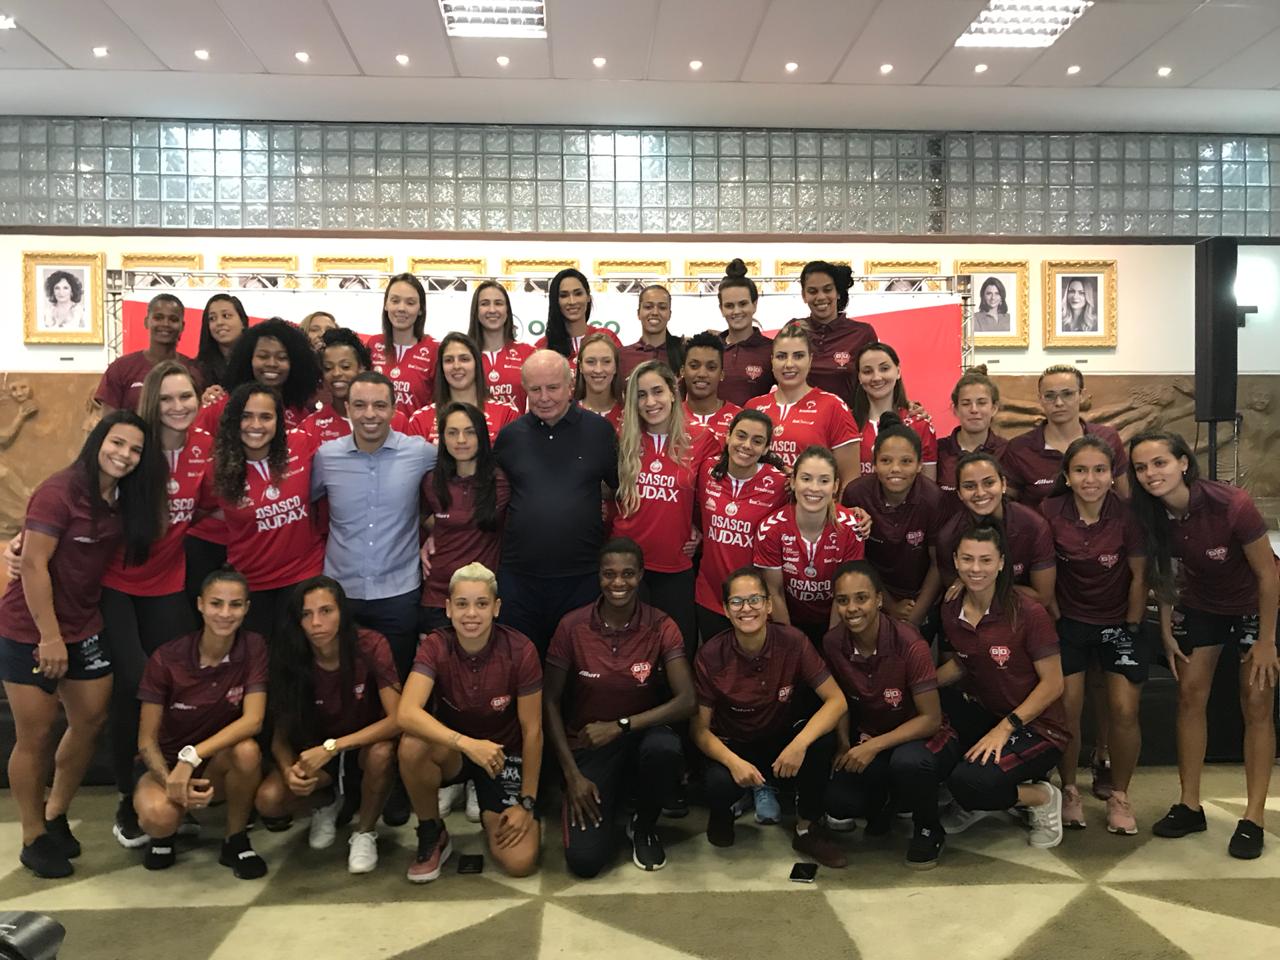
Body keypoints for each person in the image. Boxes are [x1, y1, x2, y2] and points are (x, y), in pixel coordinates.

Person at [0, 410, 165, 878]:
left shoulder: (122, 498)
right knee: (34, 735)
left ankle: (55, 816)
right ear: (98, 441)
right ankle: (32, 836)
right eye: (117, 443)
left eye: (135, 450)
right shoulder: (59, 491)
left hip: (85, 625)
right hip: (30, 630)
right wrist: (50, 637)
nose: (125, 455)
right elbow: (33, 566)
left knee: (90, 721)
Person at [1128, 430, 1278, 859]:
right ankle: (1190, 805)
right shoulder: (1149, 514)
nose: (1151, 474)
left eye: (1159, 463)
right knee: (1190, 697)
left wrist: (1267, 641)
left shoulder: (1232, 505)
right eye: (1141, 467)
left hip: (1253, 606)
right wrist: (1166, 629)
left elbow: (1268, 575)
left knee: (1257, 703)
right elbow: (1165, 572)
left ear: (1183, 464)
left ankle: (1253, 817)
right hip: (1201, 607)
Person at [544, 539, 696, 875]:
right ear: (598, 577)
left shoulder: (661, 625)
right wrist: (571, 776)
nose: (618, 583)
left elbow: (687, 701)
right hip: (590, 745)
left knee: (664, 749)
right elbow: (550, 700)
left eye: (628, 574)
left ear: (641, 575)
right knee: (584, 862)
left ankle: (644, 824)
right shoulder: (572, 626)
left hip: (640, 737)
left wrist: (621, 725)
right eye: (609, 574)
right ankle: (611, 804)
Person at [100, 362, 205, 846]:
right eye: (167, 399)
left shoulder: (204, 448)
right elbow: (79, 492)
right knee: (133, 684)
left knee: (176, 685)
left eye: (186, 396)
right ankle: (128, 795)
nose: (179, 407)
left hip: (171, 585)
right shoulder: (132, 448)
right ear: (151, 403)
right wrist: (22, 545)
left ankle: (169, 787)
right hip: (118, 585)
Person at [693, 566, 848, 866]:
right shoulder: (711, 655)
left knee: (820, 740)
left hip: (781, 740)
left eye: (755, 600)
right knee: (717, 783)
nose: (746, 608)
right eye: (737, 602)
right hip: (735, 743)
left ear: (769, 605)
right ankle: (722, 812)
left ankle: (806, 829)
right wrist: (732, 762)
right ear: (725, 610)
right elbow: (699, 730)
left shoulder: (793, 641)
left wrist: (799, 743)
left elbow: (836, 700)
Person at [397, 563, 543, 882]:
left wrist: (526, 802)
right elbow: (406, 712)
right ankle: (432, 831)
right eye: (462, 604)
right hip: (455, 751)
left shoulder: (521, 650)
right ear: (448, 609)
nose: (471, 614)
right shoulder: (436, 644)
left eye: (481, 603)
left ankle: (488, 799)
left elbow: (533, 731)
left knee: (520, 862)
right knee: (412, 745)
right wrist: (466, 744)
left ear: (496, 608)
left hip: (502, 757)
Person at [255, 576, 402, 874]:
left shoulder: (371, 644)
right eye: (306, 614)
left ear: (342, 613)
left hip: (361, 746)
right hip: (315, 756)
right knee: (269, 801)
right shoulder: (289, 655)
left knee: (381, 753)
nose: (316, 623)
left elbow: (398, 719)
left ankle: (364, 831)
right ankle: (326, 802)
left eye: (326, 611)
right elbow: (279, 739)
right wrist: (288, 770)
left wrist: (333, 748)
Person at [936, 523, 1068, 849]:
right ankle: (979, 798)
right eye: (967, 559)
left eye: (985, 560)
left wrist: (1006, 728)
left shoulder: (1028, 613)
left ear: (1001, 563)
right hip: (989, 713)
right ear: (955, 561)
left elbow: (1053, 684)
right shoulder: (952, 608)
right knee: (930, 706)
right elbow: (963, 663)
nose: (976, 569)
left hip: (1039, 727)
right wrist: (918, 689)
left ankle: (1041, 797)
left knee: (969, 782)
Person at [1040, 436, 1147, 834]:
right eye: (1081, 470)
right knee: (1067, 708)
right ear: (1066, 476)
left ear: (1111, 474)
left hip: (1120, 623)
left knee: (1124, 710)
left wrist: (1131, 626)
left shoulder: (1129, 515)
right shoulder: (1050, 511)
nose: (1091, 479)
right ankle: (1068, 789)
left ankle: (1119, 795)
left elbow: (1139, 577)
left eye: (1099, 470)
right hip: (1068, 623)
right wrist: (1054, 618)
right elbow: (1042, 572)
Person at [822, 561, 960, 869]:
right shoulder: (833, 643)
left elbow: (931, 719)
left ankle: (928, 828)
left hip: (924, 738)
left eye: (861, 598)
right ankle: (888, 801)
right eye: (842, 600)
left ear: (879, 600)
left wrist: (872, 746)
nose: (852, 608)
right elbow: (840, 700)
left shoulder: (910, 643)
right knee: (838, 801)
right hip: (872, 734)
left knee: (909, 762)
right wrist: (844, 744)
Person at [133, 567, 268, 877]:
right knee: (159, 819)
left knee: (247, 750)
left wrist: (191, 758)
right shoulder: (166, 658)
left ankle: (235, 840)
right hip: (165, 766)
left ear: (246, 608)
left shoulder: (254, 647)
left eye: (235, 605)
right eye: (216, 603)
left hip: (211, 765)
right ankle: (163, 833)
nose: (225, 613)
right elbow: (146, 741)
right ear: (200, 605)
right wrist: (171, 780)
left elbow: (253, 720)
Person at [310, 371, 438, 679]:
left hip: (399, 593)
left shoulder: (420, 452)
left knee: (397, 683)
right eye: (360, 405)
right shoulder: (326, 458)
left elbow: (461, 486)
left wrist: (439, 533)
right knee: (344, 686)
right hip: (340, 594)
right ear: (348, 409)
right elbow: (304, 506)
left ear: (394, 410)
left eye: (380, 405)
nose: (370, 414)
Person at [493, 350, 618, 654]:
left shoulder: (599, 431)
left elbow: (621, 490)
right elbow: (490, 498)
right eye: (535, 389)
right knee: (522, 666)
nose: (544, 397)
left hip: (581, 577)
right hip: (519, 578)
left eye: (553, 388)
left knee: (579, 667)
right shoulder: (509, 437)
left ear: (570, 385)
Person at [200, 383, 325, 639]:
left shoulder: (302, 444)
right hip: (251, 582)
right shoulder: (216, 469)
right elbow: (198, 512)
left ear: (279, 421)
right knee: (260, 662)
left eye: (266, 417)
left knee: (298, 661)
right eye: (246, 416)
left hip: (304, 574)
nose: (256, 425)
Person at [612, 360, 709, 654]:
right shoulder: (621, 439)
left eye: (657, 391)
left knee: (678, 651)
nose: (650, 402)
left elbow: (716, 493)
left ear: (673, 392)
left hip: (675, 564)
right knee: (629, 654)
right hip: (625, 565)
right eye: (641, 395)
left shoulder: (703, 440)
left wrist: (700, 529)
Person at [841, 413, 948, 632]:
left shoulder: (933, 499)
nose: (896, 469)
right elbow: (857, 558)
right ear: (874, 464)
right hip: (874, 593)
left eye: (906, 461)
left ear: (919, 465)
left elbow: (938, 564)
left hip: (921, 597)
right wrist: (889, 605)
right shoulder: (856, 494)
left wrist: (914, 617)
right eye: (886, 461)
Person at [754, 446, 866, 645]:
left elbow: (844, 594)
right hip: (788, 621)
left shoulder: (852, 527)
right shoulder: (770, 529)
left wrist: (831, 645)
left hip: (836, 620)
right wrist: (794, 646)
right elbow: (775, 593)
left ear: (835, 486)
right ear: (793, 482)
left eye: (824, 481)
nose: (814, 488)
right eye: (806, 479)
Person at [695, 410, 790, 643]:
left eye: (757, 441)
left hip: (753, 601)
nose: (746, 445)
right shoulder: (706, 470)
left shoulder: (781, 484)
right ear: (727, 436)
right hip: (710, 596)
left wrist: (855, 514)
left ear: (767, 448)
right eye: (741, 436)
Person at [420, 402, 510, 634]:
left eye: (469, 432)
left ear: (482, 435)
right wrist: (431, 536)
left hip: (483, 596)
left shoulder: (500, 481)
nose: (461, 440)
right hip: (438, 596)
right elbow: (422, 517)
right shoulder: (431, 481)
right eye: (452, 432)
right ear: (443, 438)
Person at [745, 322, 861, 492]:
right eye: (781, 356)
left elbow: (849, 483)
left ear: (810, 359)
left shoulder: (833, 406)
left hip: (811, 515)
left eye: (798, 356)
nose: (789, 364)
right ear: (772, 361)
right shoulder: (753, 406)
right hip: (758, 513)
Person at [937, 452, 1057, 610]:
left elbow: (1043, 597)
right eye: (969, 486)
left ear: (1004, 484)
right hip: (978, 611)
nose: (980, 493)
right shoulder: (948, 536)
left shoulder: (1034, 526)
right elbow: (956, 595)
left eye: (989, 483)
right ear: (959, 493)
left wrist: (977, 582)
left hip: (1026, 611)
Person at [1003, 365, 1129, 508]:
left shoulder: (1108, 438)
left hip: (1102, 528)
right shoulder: (1019, 449)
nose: (1059, 403)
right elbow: (1008, 506)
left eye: (1067, 394)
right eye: (1050, 396)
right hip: (1041, 529)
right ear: (1040, 399)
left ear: (1081, 395)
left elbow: (1123, 497)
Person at [198, 317, 322, 435]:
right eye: (263, 356)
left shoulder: (301, 415)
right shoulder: (220, 406)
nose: (272, 364)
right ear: (248, 359)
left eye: (282, 357)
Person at [94, 294, 202, 414]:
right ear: (146, 322)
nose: (165, 324)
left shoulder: (194, 369)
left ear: (182, 326)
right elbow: (108, 422)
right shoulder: (121, 368)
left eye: (173, 319)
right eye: (158, 317)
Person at [298, 328, 409, 444]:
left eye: (345, 366)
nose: (336, 373)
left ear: (362, 368)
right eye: (328, 368)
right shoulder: (310, 427)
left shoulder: (396, 420)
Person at [792, 260, 877, 411]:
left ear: (837, 293)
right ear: (804, 296)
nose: (820, 297)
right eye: (812, 291)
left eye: (827, 289)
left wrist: (904, 406)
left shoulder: (862, 334)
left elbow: (879, 382)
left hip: (847, 424)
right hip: (799, 425)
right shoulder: (793, 330)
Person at [406, 331, 519, 444]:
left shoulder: (507, 414)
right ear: (441, 368)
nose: (456, 366)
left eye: (464, 359)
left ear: (477, 364)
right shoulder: (420, 420)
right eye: (449, 360)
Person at [851, 342, 937, 481]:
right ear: (859, 377)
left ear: (898, 372)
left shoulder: (919, 422)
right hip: (857, 502)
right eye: (867, 371)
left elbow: (929, 486)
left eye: (884, 369)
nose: (876, 377)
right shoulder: (846, 422)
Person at [367, 272, 437, 416]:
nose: (401, 308)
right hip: (375, 436)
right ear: (386, 304)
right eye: (395, 300)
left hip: (416, 437)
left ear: (421, 309)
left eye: (410, 303)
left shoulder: (433, 349)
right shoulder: (373, 344)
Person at [937, 367, 1008, 496]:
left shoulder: (1008, 451)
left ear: (994, 408)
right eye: (966, 403)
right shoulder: (938, 451)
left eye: (981, 403)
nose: (974, 410)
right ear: (955, 409)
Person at [467, 279, 535, 411]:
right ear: (476, 310)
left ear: (507, 310)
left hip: (516, 431)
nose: (492, 310)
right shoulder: (464, 355)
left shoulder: (528, 353)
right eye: (484, 304)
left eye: (498, 303)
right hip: (475, 431)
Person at [717, 259, 774, 407]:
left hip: (754, 429)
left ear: (754, 305)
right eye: (729, 306)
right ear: (721, 309)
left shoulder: (772, 350)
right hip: (709, 429)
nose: (736, 311)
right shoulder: (710, 349)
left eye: (743, 304)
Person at [536, 267, 621, 362]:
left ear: (588, 296)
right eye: (564, 295)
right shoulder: (543, 346)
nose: (572, 301)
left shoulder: (607, 337)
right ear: (555, 301)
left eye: (578, 294)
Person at [680, 331, 740, 444]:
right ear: (682, 371)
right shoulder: (669, 417)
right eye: (694, 366)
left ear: (721, 374)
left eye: (711, 367)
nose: (702, 373)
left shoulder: (739, 418)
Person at [619, 285, 684, 384]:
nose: (655, 312)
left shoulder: (683, 352)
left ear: (670, 314)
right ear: (638, 313)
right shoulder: (622, 356)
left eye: (662, 307)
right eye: (648, 307)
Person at [194, 294, 248, 394]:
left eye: (226, 316)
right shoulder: (198, 369)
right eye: (212, 318)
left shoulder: (256, 361)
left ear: (243, 322)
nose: (219, 322)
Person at [573, 332, 624, 430]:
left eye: (606, 362)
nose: (598, 370)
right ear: (580, 367)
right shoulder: (567, 415)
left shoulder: (630, 414)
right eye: (590, 362)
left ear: (615, 367)